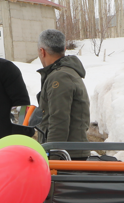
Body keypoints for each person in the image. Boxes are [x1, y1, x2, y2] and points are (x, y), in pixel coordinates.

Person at [35, 29, 90, 159]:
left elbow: (58, 121)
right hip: (69, 153)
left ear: (42, 51)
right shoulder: (66, 73)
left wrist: (53, 158)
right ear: (64, 49)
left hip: (67, 157)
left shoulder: (59, 77)